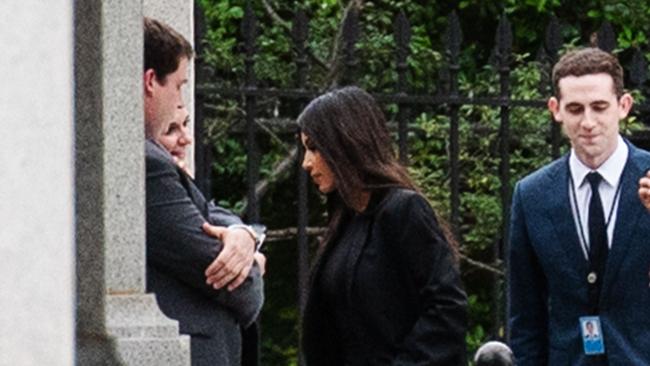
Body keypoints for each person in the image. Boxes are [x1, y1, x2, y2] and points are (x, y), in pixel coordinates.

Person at [298, 86, 468, 365]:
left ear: (344, 143)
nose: (306, 162)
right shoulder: (345, 222)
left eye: (314, 147)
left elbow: (446, 309)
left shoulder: (404, 211)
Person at [508, 47, 650, 365]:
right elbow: (525, 314)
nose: (588, 122)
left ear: (623, 106)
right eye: (575, 109)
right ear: (555, 110)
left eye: (599, 107)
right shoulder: (532, 195)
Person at [143, 17, 264, 366]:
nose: (180, 99)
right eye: (179, 85)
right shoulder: (148, 163)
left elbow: (206, 211)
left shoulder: (152, 159)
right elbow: (229, 280)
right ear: (152, 81)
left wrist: (242, 234)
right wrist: (252, 265)